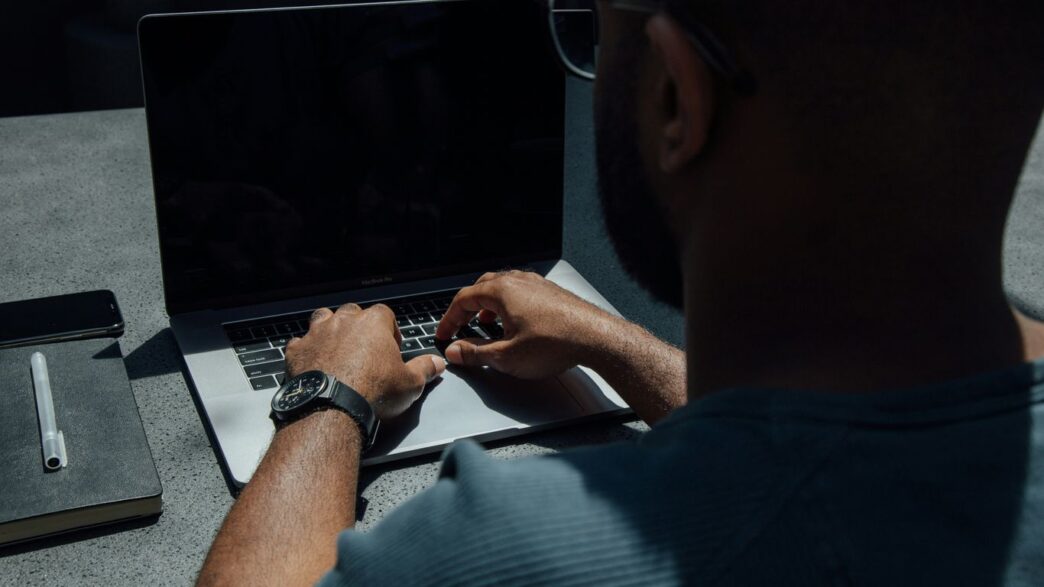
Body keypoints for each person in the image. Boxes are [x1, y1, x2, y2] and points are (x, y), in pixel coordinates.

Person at [197, 1, 1044, 585]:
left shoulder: (510, 552)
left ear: (677, 96)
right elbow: (841, 457)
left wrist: (330, 392)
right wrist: (613, 341)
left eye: (593, 32)